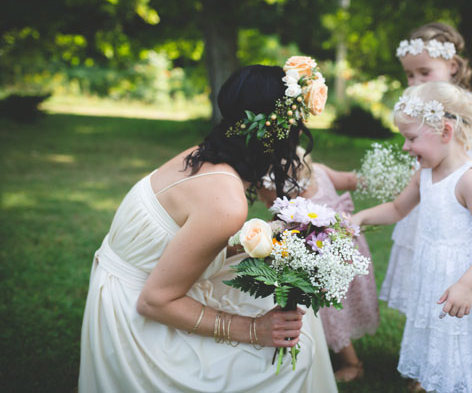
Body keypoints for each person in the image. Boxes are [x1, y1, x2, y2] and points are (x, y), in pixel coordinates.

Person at [78, 60, 338, 392]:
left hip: (124, 287)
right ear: (282, 131)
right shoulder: (227, 202)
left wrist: (271, 239)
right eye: (298, 123)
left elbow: (180, 243)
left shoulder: (199, 155)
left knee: (291, 315)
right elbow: (154, 301)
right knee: (287, 355)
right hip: (134, 322)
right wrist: (252, 330)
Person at [353, 82, 472, 393]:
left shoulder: (471, 179)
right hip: (436, 273)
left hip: (470, 277)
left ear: (446, 132)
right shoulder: (424, 172)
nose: (406, 147)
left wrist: (466, 285)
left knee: (469, 344)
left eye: (411, 138)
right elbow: (397, 209)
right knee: (442, 340)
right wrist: (359, 218)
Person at [382, 22, 472, 315]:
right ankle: (428, 329)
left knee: (458, 265)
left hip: (459, 206)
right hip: (426, 207)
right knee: (429, 272)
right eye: (409, 74)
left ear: (453, 66)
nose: (415, 81)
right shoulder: (415, 105)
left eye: (424, 72)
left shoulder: (467, 104)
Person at [258, 149, 380, 383]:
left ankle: (352, 364)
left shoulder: (295, 207)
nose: (265, 201)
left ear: (281, 187)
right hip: (349, 254)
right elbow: (351, 180)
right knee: (340, 306)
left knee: (331, 310)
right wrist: (374, 180)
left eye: (267, 195)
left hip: (327, 266)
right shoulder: (322, 173)